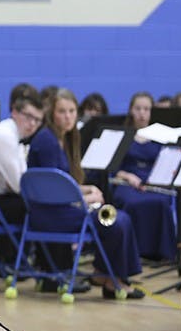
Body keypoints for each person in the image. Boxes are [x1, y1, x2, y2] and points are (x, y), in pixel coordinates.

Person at [28, 89, 144, 298]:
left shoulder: (63, 139)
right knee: (117, 220)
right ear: (51, 114)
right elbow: (52, 191)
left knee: (120, 219)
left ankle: (106, 274)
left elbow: (62, 182)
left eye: (72, 111)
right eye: (62, 111)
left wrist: (87, 189)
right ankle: (112, 279)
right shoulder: (47, 141)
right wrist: (88, 198)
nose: (68, 116)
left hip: (60, 209)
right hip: (51, 215)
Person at [0, 93, 45, 269]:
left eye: (38, 120)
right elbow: (19, 186)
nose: (33, 124)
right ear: (14, 112)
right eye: (29, 117)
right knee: (41, 209)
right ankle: (42, 266)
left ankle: (12, 262)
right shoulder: (6, 136)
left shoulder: (11, 133)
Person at [110, 92, 177, 261]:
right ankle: (133, 253)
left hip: (153, 183)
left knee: (161, 203)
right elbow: (112, 167)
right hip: (126, 182)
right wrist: (127, 176)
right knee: (131, 203)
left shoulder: (160, 137)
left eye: (146, 109)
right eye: (138, 108)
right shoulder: (123, 136)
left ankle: (161, 253)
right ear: (131, 111)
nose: (142, 113)